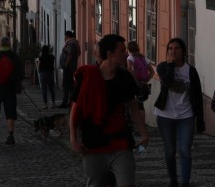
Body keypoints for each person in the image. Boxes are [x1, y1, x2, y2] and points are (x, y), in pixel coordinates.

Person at [70, 34, 149, 187]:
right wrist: (74, 139)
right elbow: (75, 110)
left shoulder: (125, 77)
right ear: (110, 53)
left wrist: (144, 133)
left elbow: (133, 107)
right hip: (94, 144)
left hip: (121, 142)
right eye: (122, 51)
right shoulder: (87, 77)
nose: (126, 54)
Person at [153, 37, 205, 187]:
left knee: (185, 150)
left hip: (186, 115)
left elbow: (197, 96)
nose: (173, 51)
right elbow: (168, 82)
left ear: (183, 51)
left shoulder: (191, 71)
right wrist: (170, 65)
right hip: (165, 115)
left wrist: (200, 120)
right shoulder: (162, 67)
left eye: (176, 48)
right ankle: (173, 180)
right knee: (170, 150)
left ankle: (185, 183)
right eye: (170, 49)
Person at [0, 35, 23, 145]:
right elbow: (20, 73)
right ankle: (11, 136)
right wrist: (18, 84)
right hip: (10, 88)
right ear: (10, 45)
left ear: (0, 45)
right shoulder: (14, 56)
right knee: (10, 112)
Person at [126, 40, 155, 107]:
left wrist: (136, 81)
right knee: (141, 105)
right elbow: (152, 72)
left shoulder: (130, 58)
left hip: (135, 84)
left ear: (129, 49)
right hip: (143, 83)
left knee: (134, 105)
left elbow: (129, 70)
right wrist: (145, 81)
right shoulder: (143, 57)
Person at [59, 30, 80, 107]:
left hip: (69, 68)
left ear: (67, 36)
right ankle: (68, 102)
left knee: (67, 85)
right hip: (68, 68)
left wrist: (66, 64)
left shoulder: (71, 44)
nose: (64, 38)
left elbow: (70, 55)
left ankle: (67, 102)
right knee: (69, 85)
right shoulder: (70, 43)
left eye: (65, 36)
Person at [37, 44, 56, 110]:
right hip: (50, 73)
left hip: (43, 73)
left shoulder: (41, 57)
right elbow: (52, 65)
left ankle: (45, 104)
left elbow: (39, 66)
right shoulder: (52, 57)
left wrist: (39, 70)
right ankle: (53, 103)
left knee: (44, 89)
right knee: (52, 89)